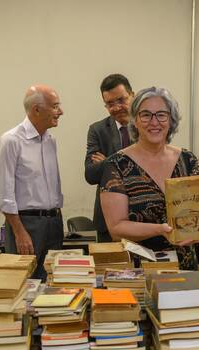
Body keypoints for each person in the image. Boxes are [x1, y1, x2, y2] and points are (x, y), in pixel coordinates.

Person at [99, 87, 199, 270]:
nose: (154, 122)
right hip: (139, 271)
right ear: (135, 120)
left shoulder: (187, 160)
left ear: (171, 120)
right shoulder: (116, 164)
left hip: (184, 267)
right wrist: (161, 230)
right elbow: (116, 228)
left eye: (161, 115)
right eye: (146, 115)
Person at [0, 85, 64, 280]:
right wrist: (19, 232)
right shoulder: (11, 141)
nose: (60, 112)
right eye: (55, 106)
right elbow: (5, 194)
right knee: (24, 283)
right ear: (37, 109)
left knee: (52, 283)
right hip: (26, 225)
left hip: (54, 223)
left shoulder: (50, 140)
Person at [85, 74, 134, 242]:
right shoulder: (97, 130)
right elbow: (91, 175)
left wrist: (107, 162)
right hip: (107, 221)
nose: (117, 107)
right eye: (110, 104)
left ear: (132, 95)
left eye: (121, 100)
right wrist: (128, 160)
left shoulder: (148, 126)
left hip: (143, 218)